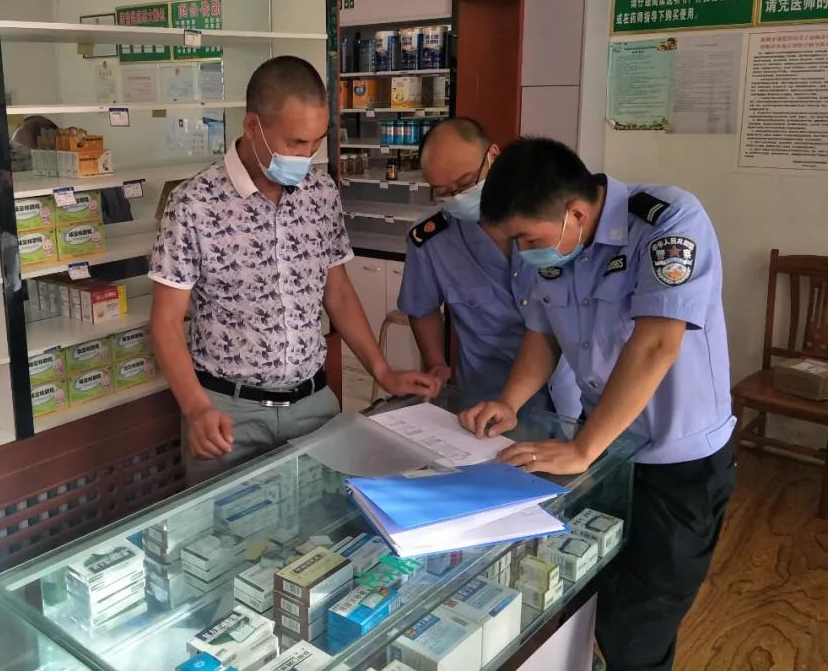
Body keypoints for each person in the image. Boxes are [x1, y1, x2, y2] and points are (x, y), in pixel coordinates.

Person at [461, 137, 736, 671]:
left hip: (677, 464)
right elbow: (542, 334)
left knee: (641, 625)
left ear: (577, 214)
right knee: (588, 589)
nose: (522, 251)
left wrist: (583, 448)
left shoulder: (667, 221)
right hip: (608, 454)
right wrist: (510, 402)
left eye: (527, 238)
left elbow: (656, 344)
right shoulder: (556, 245)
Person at [149, 56, 441, 484]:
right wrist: (196, 408)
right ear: (253, 126)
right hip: (228, 415)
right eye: (296, 142)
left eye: (316, 143)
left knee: (328, 520)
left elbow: (337, 292)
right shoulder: (195, 204)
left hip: (314, 407)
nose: (306, 157)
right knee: (228, 525)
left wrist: (382, 370)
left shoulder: (319, 192)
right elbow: (165, 322)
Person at [398, 119, 581, 415]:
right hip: (484, 396)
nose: (458, 197)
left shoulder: (551, 217)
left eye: (466, 183)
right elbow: (421, 307)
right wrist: (436, 363)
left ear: (493, 156)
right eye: (444, 191)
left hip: (567, 394)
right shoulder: (433, 239)